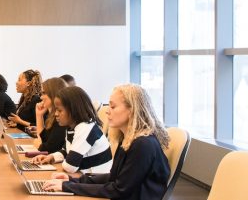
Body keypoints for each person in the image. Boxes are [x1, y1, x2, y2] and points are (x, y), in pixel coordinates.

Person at [42, 84, 170, 200]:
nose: (108, 110)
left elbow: (118, 190)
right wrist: (73, 180)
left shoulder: (143, 145)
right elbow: (113, 178)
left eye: (113, 106)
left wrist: (68, 187)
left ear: (132, 110)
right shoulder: (128, 139)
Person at [31, 86, 112, 175]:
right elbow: (66, 151)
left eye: (60, 110)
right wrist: (51, 157)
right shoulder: (72, 127)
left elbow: (70, 166)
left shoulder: (85, 128)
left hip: (96, 182)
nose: (56, 114)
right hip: (85, 178)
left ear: (74, 110)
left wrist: (66, 161)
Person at [32, 77, 68, 153]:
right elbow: (43, 139)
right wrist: (39, 115)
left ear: (54, 94)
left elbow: (48, 149)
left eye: (44, 93)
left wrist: (40, 145)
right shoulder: (51, 115)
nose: (41, 97)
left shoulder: (62, 118)